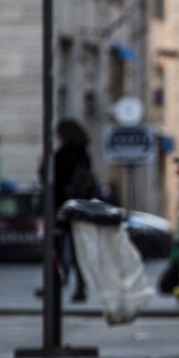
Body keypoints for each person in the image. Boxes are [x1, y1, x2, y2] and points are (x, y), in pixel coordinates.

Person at [53, 119, 98, 303]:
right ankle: (80, 286)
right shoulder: (84, 154)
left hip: (64, 207)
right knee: (79, 249)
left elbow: (54, 182)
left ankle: (57, 282)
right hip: (81, 207)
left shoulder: (63, 154)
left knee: (59, 247)